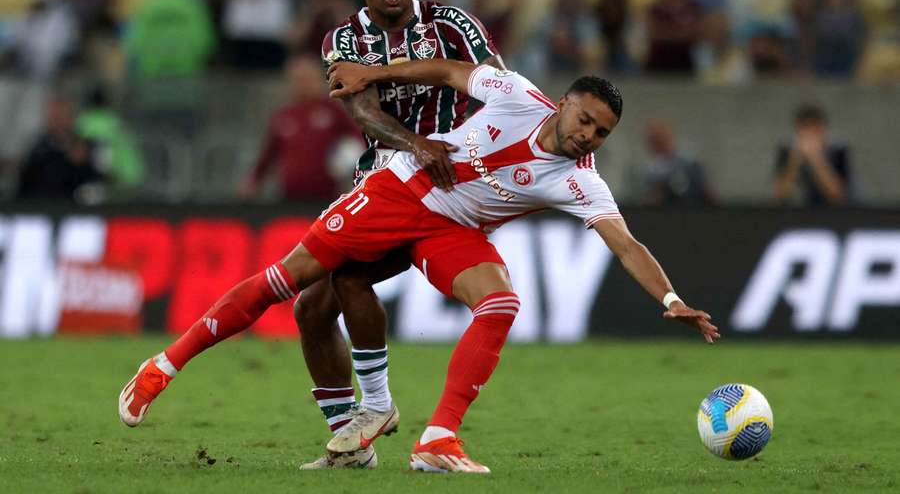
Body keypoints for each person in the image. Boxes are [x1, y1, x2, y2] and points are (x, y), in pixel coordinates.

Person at [118, 58, 719, 473]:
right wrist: (369, 76)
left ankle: (438, 439)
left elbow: (626, 243)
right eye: (585, 120)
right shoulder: (516, 95)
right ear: (563, 105)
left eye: (603, 132)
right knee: (291, 282)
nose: (590, 136)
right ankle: (162, 367)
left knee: (501, 303)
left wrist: (670, 300)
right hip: (403, 190)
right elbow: (449, 71)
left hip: (450, 231)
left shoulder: (581, 183)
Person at [289, 0, 505, 469]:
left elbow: (499, 90)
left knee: (344, 279)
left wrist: (482, 161)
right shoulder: (342, 40)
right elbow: (361, 112)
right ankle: (350, 439)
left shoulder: (454, 26)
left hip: (447, 182)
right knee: (312, 309)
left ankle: (377, 411)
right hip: (382, 175)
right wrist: (416, 145)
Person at [239, 53, 363, 201]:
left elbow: (359, 138)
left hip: (326, 196)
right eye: (298, 79)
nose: (303, 84)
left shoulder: (332, 110)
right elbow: (268, 154)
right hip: (289, 196)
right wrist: (254, 180)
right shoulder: (284, 115)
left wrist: (353, 161)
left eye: (307, 78)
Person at [773, 104, 852, 206]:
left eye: (815, 127)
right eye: (805, 127)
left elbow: (838, 196)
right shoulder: (787, 150)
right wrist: (795, 159)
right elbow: (780, 195)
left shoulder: (838, 150)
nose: (810, 133)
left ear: (823, 129)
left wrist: (816, 158)